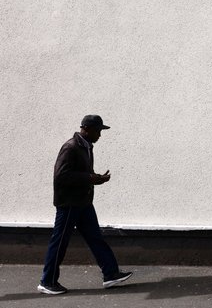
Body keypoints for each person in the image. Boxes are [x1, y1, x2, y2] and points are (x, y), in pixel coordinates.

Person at [38, 115, 132, 295]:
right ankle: (47, 281)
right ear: (87, 129)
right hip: (70, 204)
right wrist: (90, 178)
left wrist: (96, 179)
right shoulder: (71, 147)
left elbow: (78, 174)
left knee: (96, 238)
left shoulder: (85, 147)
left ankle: (111, 274)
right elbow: (62, 176)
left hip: (83, 202)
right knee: (59, 242)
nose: (100, 135)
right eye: (98, 131)